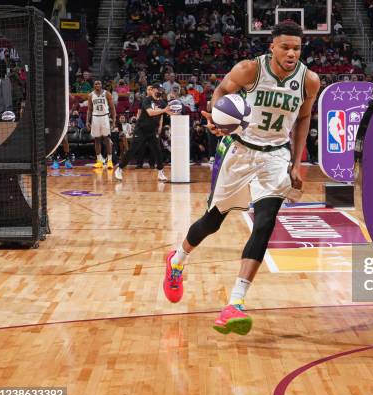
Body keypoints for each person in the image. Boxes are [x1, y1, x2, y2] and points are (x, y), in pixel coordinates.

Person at [163, 21, 321, 336]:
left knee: (265, 223)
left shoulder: (309, 80)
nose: (291, 53)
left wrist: (295, 161)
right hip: (240, 150)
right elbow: (222, 91)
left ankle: (235, 302)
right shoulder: (250, 69)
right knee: (212, 221)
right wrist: (220, 120)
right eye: (285, 47)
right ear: (272, 46)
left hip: (275, 156)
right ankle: (177, 260)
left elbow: (303, 118)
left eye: (297, 48)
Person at [114, 84, 173, 181]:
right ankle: (119, 169)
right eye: (158, 90)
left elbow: (169, 112)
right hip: (141, 130)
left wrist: (176, 112)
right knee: (133, 150)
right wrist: (164, 110)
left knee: (158, 151)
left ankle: (160, 172)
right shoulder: (147, 100)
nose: (160, 91)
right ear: (153, 90)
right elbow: (150, 113)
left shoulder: (162, 102)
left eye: (161, 90)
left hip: (152, 130)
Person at [86, 80, 116, 169]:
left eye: (99, 83)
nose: (97, 85)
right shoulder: (90, 95)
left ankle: (109, 161)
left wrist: (113, 121)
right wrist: (87, 121)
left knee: (107, 139)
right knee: (97, 139)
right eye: (96, 84)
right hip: (95, 117)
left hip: (105, 117)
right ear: (93, 85)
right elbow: (89, 109)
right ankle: (99, 161)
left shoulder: (107, 94)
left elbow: (112, 108)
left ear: (101, 85)